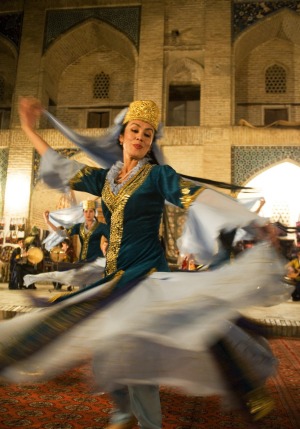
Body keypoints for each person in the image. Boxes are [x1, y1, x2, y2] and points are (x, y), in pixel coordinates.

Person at [0, 98, 290, 429]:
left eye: (148, 134)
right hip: (114, 280)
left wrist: (251, 221)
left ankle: (157, 418)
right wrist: (26, 127)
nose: (140, 137)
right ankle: (123, 412)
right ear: (121, 137)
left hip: (147, 279)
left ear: (150, 143)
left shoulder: (156, 176)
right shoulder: (105, 181)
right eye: (135, 130)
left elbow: (197, 195)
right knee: (105, 348)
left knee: (175, 339)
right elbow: (59, 164)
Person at [43, 200, 108, 262]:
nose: (88, 214)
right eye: (86, 211)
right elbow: (62, 233)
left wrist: (106, 251)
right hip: (82, 261)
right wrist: (48, 222)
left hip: (96, 262)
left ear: (94, 212)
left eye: (91, 211)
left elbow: (113, 238)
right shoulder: (79, 226)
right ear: (83, 213)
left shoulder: (101, 226)